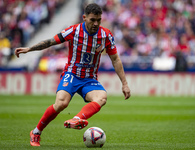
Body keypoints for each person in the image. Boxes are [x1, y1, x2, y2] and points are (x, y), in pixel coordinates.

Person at [15, 3, 131, 147]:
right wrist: (29, 49)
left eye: (98, 20)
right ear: (84, 18)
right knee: (61, 103)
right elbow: (51, 41)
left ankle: (76, 119)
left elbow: (115, 59)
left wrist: (124, 83)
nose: (96, 23)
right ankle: (36, 132)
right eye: (92, 20)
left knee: (102, 97)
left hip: (89, 79)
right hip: (72, 74)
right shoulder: (74, 30)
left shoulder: (106, 35)